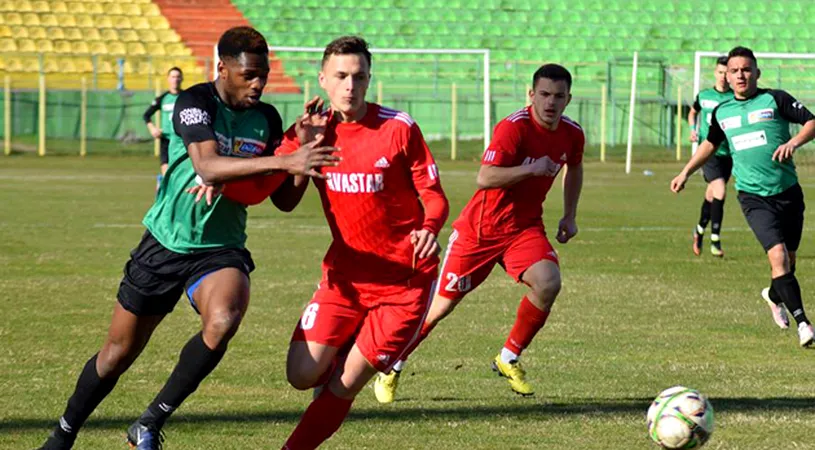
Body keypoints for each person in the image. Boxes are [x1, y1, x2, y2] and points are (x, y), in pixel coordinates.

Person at [36, 26, 338, 450]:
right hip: (165, 243)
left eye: (263, 75)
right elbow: (208, 167)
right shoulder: (194, 102)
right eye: (248, 74)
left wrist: (302, 155)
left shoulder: (266, 119)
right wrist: (285, 157)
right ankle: (63, 433)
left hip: (220, 249)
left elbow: (284, 201)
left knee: (223, 320)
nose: (258, 84)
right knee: (117, 355)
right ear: (222, 68)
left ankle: (150, 421)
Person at [374, 63, 585, 403]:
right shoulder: (513, 128)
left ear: (568, 99)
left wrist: (570, 215)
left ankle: (509, 357)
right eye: (544, 94)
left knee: (548, 282)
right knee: (439, 308)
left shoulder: (572, 134)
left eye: (559, 96)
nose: (551, 102)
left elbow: (574, 165)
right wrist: (531, 168)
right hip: (480, 232)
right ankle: (392, 365)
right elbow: (485, 177)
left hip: (524, 229)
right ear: (531, 95)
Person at [278, 36, 449, 449]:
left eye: (359, 76)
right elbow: (282, 197)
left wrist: (430, 228)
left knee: (346, 383)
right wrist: (303, 150)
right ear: (322, 79)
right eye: (340, 76)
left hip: (404, 285)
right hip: (344, 279)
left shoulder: (397, 127)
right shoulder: (310, 130)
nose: (349, 85)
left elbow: (434, 195)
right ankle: (343, 347)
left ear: (370, 79)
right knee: (300, 375)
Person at [671, 46, 815, 347]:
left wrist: (794, 142)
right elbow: (709, 145)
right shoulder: (723, 112)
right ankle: (804, 324)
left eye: (746, 69)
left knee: (788, 262)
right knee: (777, 258)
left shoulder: (775, 99)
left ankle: (773, 295)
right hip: (753, 197)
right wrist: (685, 172)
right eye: (734, 70)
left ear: (757, 72)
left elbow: (812, 122)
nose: (740, 75)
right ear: (728, 74)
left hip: (788, 193)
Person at [688, 56, 734, 257]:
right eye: (720, 72)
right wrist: (692, 129)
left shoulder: (734, 98)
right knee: (721, 191)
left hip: (728, 154)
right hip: (708, 152)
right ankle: (715, 238)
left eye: (727, 73)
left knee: (711, 195)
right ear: (715, 73)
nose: (723, 77)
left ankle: (698, 231)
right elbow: (693, 112)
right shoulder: (704, 95)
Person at [144, 67, 183, 188]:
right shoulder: (163, 98)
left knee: (181, 172)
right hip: (166, 140)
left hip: (181, 141)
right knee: (167, 173)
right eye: (173, 77)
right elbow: (146, 115)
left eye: (177, 77)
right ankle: (163, 183)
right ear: (168, 79)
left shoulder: (186, 97)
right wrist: (153, 129)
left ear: (182, 79)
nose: (175, 80)